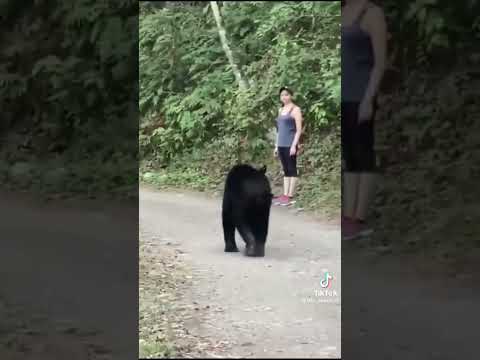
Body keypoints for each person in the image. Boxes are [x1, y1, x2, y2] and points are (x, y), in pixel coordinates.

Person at [341, 0, 387, 240]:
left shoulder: (372, 13)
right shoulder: (342, 10)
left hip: (361, 96)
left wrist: (369, 99)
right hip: (342, 97)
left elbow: (380, 62)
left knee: (363, 154)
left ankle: (358, 219)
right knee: (350, 157)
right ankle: (347, 216)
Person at [273, 86, 303, 206]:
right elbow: (279, 130)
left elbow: (299, 130)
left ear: (291, 95)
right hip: (281, 143)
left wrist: (294, 145)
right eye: (282, 95)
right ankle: (284, 195)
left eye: (286, 94)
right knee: (285, 170)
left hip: (291, 144)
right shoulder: (280, 110)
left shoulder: (296, 109)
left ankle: (290, 196)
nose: (284, 97)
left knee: (292, 169)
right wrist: (276, 145)